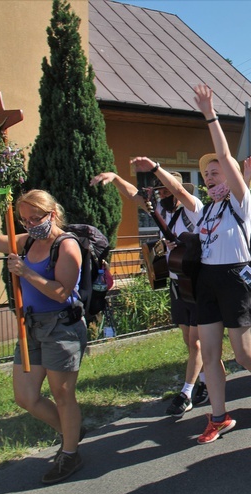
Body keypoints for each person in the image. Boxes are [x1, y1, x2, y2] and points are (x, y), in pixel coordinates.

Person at [0, 182, 87, 484]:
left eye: (34, 218)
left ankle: (70, 454)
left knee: (62, 395)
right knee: (26, 397)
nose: (29, 224)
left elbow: (61, 291)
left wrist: (26, 272)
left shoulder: (67, 246)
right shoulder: (25, 242)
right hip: (31, 326)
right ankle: (72, 433)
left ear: (52, 214)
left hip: (61, 326)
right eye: (24, 219)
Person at [192, 84, 251, 445]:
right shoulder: (207, 210)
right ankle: (219, 416)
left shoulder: (239, 203)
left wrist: (209, 114)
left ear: (229, 178)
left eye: (217, 173)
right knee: (210, 354)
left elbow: (228, 157)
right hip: (208, 281)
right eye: (208, 174)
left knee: (244, 354)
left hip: (235, 280)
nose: (211, 178)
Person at [90, 165, 208, 417]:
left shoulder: (193, 208)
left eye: (166, 189)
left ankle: (186, 393)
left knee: (197, 343)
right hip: (178, 282)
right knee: (191, 341)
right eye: (161, 190)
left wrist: (155, 169)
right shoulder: (162, 210)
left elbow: (178, 194)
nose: (162, 193)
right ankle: (207, 379)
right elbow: (135, 195)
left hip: (197, 282)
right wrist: (116, 178)